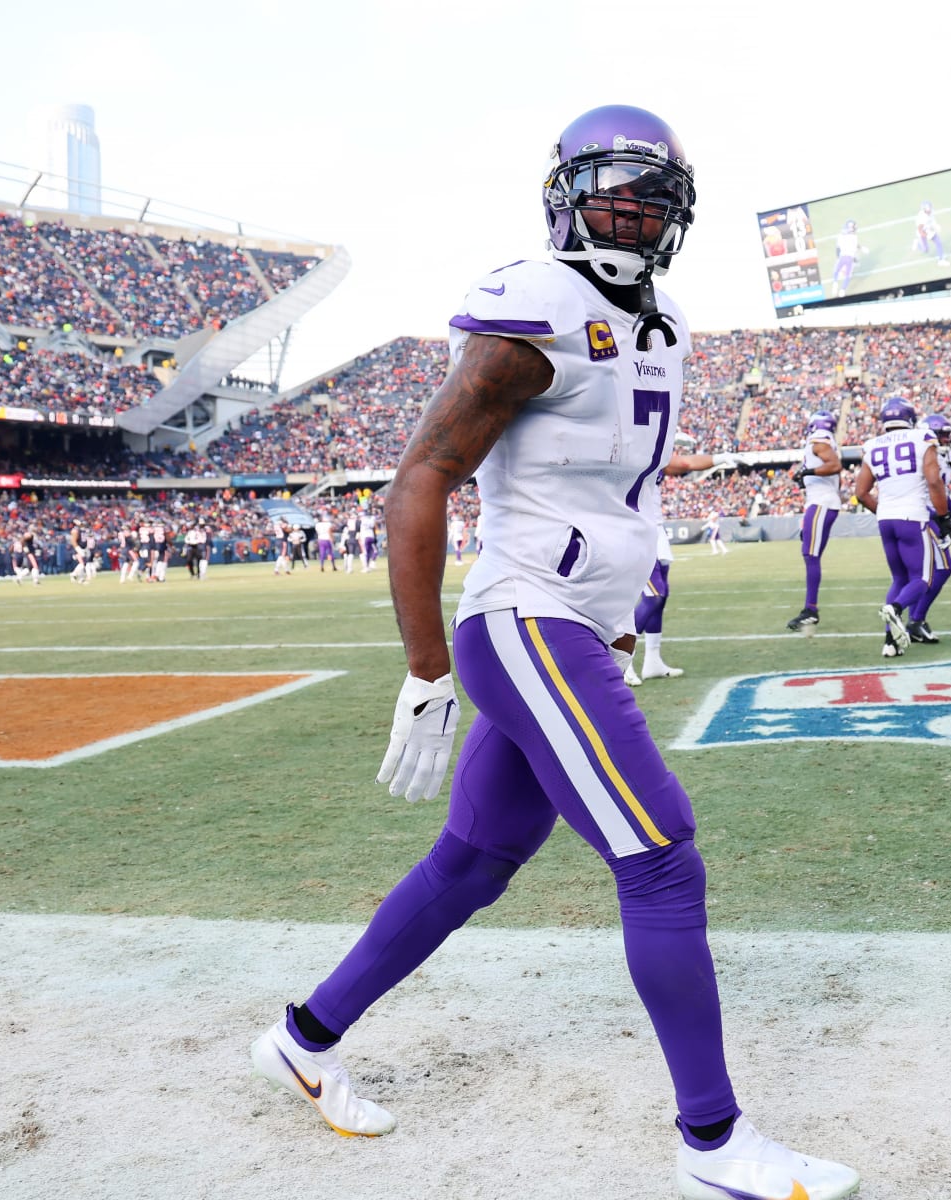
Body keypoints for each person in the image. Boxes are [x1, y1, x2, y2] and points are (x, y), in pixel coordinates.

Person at [249, 104, 859, 1200]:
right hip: (524, 619)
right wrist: (427, 669)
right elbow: (421, 479)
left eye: (650, 195)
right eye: (611, 188)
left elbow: (609, 484)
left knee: (475, 863)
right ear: (565, 193)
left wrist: (618, 607)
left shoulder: (659, 317)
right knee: (662, 856)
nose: (630, 210)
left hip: (571, 621)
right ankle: (712, 1144)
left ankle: (305, 1034)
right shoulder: (535, 305)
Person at [630, 443, 733, 686]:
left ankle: (653, 661)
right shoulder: (631, 449)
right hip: (635, 529)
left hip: (654, 527)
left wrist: (720, 457)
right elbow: (683, 463)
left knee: (661, 596)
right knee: (654, 594)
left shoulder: (648, 450)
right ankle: (620, 661)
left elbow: (684, 462)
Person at [853, 397, 948, 658]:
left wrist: (883, 511)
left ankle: (890, 642)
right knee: (922, 579)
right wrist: (943, 515)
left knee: (899, 578)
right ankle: (896, 609)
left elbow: (861, 492)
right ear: (910, 418)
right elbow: (934, 481)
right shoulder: (923, 437)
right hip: (913, 516)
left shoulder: (871, 446)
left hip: (886, 518)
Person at [905, 412, 951, 643]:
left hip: (923, 515)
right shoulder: (930, 456)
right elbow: (931, 492)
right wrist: (941, 518)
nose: (947, 440)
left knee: (923, 572)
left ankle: (913, 620)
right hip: (923, 516)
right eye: (942, 435)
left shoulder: (939, 456)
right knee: (943, 568)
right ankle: (915, 620)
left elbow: (941, 492)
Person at [786, 411, 844, 633]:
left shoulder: (818, 439)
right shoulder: (824, 440)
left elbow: (835, 465)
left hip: (821, 503)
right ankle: (810, 609)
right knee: (810, 553)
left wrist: (806, 472)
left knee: (811, 555)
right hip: (820, 502)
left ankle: (811, 610)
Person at [831, 218, 862, 298]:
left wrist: (838, 256)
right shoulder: (854, 238)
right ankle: (842, 290)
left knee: (836, 271)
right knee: (848, 276)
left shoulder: (841, 236)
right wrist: (856, 260)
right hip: (850, 258)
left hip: (842, 256)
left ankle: (835, 282)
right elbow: (855, 249)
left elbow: (838, 247)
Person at [912, 200, 948, 267]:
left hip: (928, 229)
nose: (930, 211)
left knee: (938, 242)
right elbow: (920, 230)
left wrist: (936, 225)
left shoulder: (930, 212)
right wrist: (927, 235)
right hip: (922, 233)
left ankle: (941, 260)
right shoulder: (922, 218)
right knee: (925, 250)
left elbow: (932, 219)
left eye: (930, 209)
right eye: (928, 209)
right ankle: (917, 244)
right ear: (924, 210)